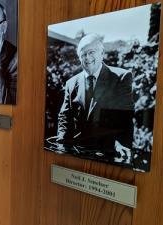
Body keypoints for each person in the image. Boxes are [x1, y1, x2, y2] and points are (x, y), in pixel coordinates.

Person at [56, 34, 134, 162]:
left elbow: (125, 117)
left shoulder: (120, 78)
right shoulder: (71, 83)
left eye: (91, 52)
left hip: (110, 153)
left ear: (102, 53)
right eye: (83, 54)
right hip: (78, 152)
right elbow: (65, 117)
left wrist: (121, 145)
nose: (87, 58)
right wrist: (61, 145)